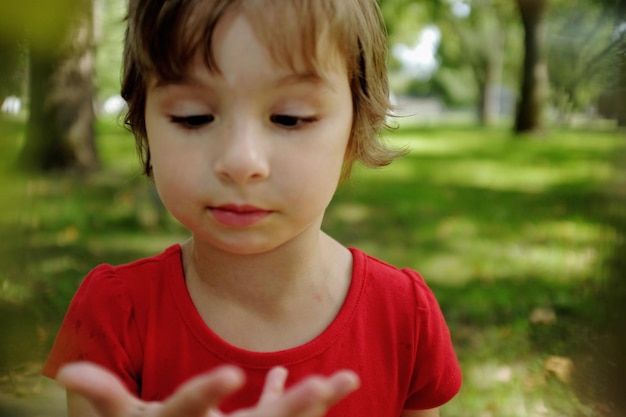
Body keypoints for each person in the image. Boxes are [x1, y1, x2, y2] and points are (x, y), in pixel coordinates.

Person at [43, 0, 462, 416]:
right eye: (193, 117)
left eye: (289, 118)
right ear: (144, 122)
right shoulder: (115, 314)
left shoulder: (405, 317)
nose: (241, 162)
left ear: (355, 129)